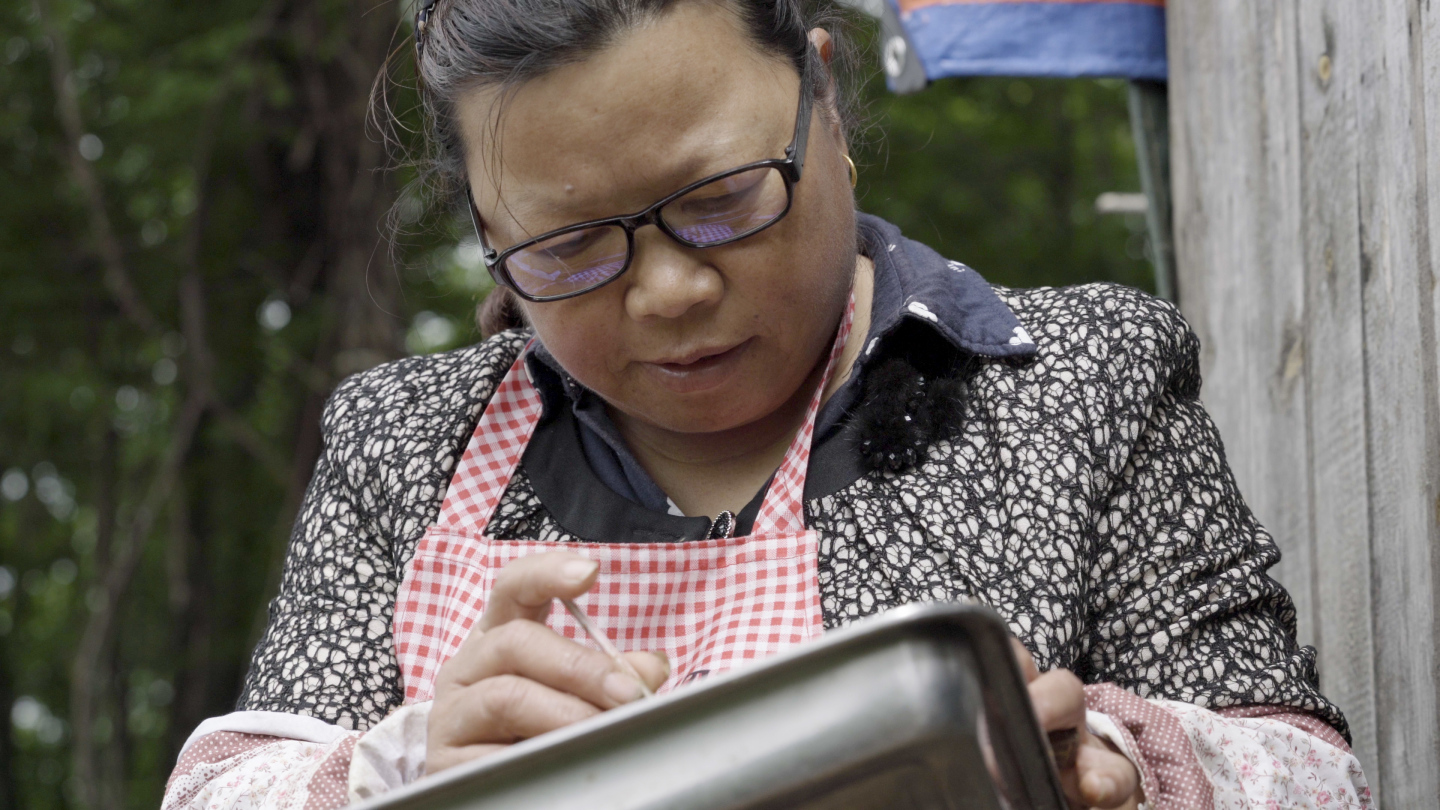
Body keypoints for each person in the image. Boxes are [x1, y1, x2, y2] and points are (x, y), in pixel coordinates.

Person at [162, 0, 1371, 807]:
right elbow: (225, 786)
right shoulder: (405, 448)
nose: (672, 290)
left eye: (727, 197)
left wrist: (1125, 769)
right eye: (571, 247)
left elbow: (1313, 778)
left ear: (824, 101)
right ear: (487, 231)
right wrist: (413, 766)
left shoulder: (1075, 379)